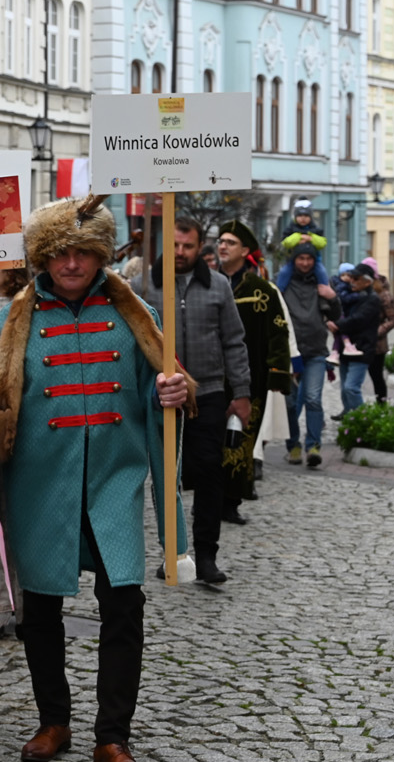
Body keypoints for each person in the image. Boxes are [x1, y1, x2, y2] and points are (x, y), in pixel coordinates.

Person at [0, 194, 192, 762]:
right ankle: (53, 722)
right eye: (60, 253)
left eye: (82, 252)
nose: (71, 264)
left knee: (124, 604)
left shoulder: (138, 315)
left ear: (100, 255)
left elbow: (163, 394)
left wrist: (174, 392)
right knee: (40, 611)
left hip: (114, 482)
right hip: (39, 486)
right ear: (42, 257)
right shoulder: (10, 322)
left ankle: (112, 734)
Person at [137, 218, 248, 584]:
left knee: (210, 471)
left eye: (188, 246)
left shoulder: (218, 285)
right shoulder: (143, 287)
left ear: (201, 247)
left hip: (209, 392)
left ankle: (206, 555)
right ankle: (173, 552)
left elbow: (233, 340)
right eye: (174, 245)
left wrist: (242, 392)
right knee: (167, 475)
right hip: (161, 394)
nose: (180, 252)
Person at [213, 221, 290, 526]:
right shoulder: (208, 283)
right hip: (210, 376)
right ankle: (208, 499)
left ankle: (231, 502)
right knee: (209, 440)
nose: (223, 246)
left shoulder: (262, 290)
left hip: (250, 376)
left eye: (230, 242)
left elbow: (278, 332)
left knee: (241, 441)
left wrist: (278, 371)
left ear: (245, 250)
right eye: (221, 241)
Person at [280, 244, 340, 466]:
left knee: (313, 399)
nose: (305, 263)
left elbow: (335, 315)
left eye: (309, 259)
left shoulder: (321, 283)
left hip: (316, 351)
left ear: (315, 261)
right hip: (290, 352)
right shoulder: (284, 284)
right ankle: (293, 446)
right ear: (294, 260)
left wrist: (333, 298)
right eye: (301, 258)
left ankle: (313, 446)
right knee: (289, 403)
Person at [331, 262, 382, 424]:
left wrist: (338, 325)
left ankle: (366, 421)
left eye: (356, 278)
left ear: (367, 282)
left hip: (362, 348)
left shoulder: (372, 299)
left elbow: (358, 319)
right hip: (346, 348)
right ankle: (350, 419)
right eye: (351, 277)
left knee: (351, 388)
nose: (351, 281)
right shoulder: (352, 295)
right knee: (344, 388)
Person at [361, 258, 394, 405]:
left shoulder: (383, 294)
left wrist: (377, 331)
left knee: (376, 375)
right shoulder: (361, 289)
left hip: (377, 344)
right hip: (361, 340)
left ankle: (381, 405)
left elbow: (393, 319)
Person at [274, 201, 329, 291]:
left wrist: (310, 238)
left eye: (306, 216)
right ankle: (279, 291)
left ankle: (325, 290)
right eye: (300, 216)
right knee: (284, 272)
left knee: (322, 272)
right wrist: (299, 236)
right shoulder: (290, 229)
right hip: (292, 260)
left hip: (315, 260)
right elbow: (286, 243)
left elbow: (322, 243)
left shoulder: (316, 230)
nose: (303, 219)